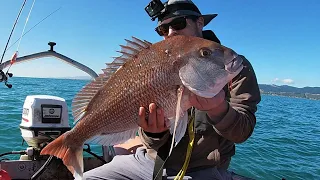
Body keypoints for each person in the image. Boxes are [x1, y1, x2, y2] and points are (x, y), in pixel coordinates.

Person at [83, 0, 261, 179]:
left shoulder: (232, 65)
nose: (170, 33)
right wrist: (153, 131)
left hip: (204, 169)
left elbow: (242, 132)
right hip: (150, 162)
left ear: (199, 22)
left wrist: (218, 108)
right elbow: (151, 141)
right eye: (162, 30)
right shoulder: (154, 63)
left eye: (178, 24)